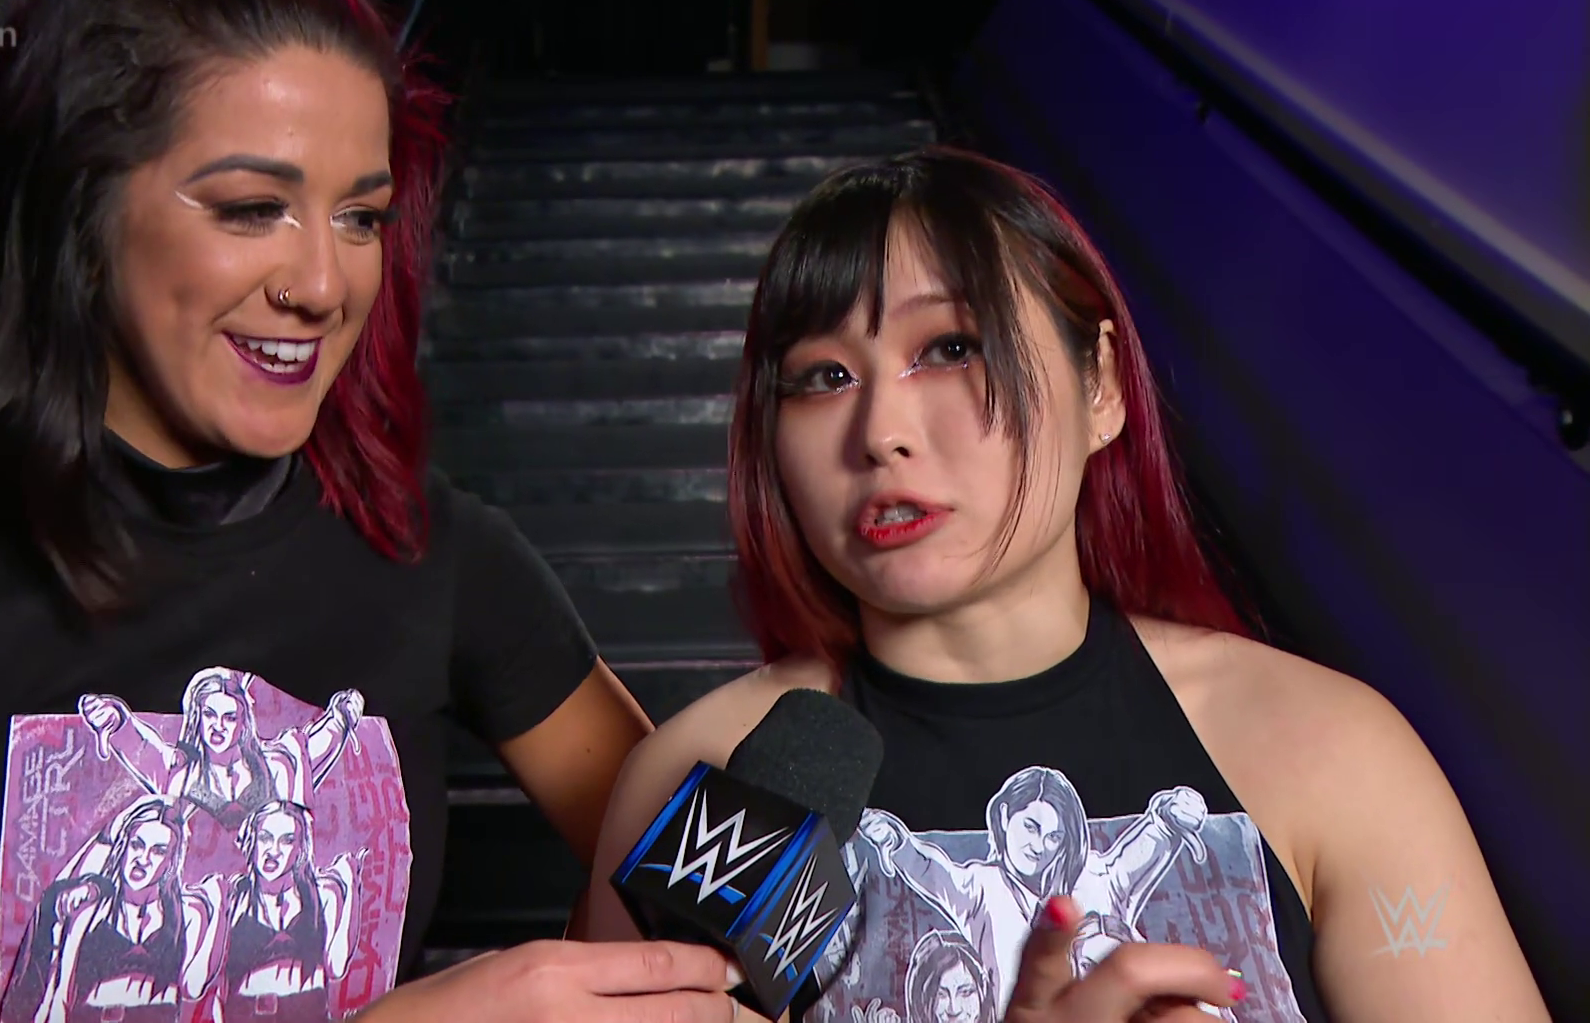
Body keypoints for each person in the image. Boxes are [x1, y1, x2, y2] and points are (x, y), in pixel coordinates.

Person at [0, 0, 754, 1021]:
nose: (323, 284)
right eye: (250, 207)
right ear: (80, 211)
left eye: (360, 217)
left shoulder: (446, 560)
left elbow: (739, 928)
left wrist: (811, 669)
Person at [581, 148, 1552, 1022]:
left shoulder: (1333, 750)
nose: (879, 432)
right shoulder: (699, 779)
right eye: (823, 377)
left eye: (950, 348)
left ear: (1102, 385)